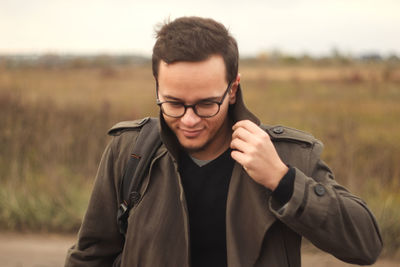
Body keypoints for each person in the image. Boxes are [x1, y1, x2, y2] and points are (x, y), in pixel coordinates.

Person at [65, 16, 382, 267]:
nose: (189, 120)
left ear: (233, 89)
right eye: (174, 103)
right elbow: (90, 256)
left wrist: (283, 181)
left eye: (206, 104)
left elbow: (366, 244)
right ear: (157, 88)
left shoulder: (287, 156)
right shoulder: (130, 152)